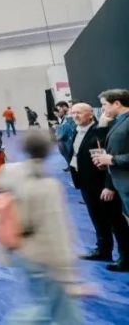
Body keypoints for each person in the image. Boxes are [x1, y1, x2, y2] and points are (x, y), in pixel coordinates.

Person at [0, 129, 92, 324]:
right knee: (53, 311)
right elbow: (57, 234)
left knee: (46, 305)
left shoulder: (7, 172)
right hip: (42, 256)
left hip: (18, 249)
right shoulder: (47, 186)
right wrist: (69, 278)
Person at [67, 103, 129, 271]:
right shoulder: (76, 130)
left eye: (79, 113)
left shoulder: (101, 131)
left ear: (90, 114)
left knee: (115, 221)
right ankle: (103, 250)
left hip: (102, 185)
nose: (75, 116)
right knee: (97, 218)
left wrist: (109, 186)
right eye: (73, 113)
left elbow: (108, 160)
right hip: (85, 183)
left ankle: (126, 257)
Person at [93, 89, 129, 224]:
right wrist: (102, 125)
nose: (102, 108)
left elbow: (113, 156)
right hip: (121, 182)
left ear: (117, 103)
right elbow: (109, 147)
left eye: (104, 104)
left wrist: (112, 160)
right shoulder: (117, 121)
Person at [55, 101, 76, 171]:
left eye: (59, 109)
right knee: (65, 152)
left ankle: (72, 167)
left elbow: (74, 127)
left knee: (71, 153)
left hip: (70, 137)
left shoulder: (70, 116)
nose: (59, 111)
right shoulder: (65, 117)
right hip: (66, 138)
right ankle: (70, 166)